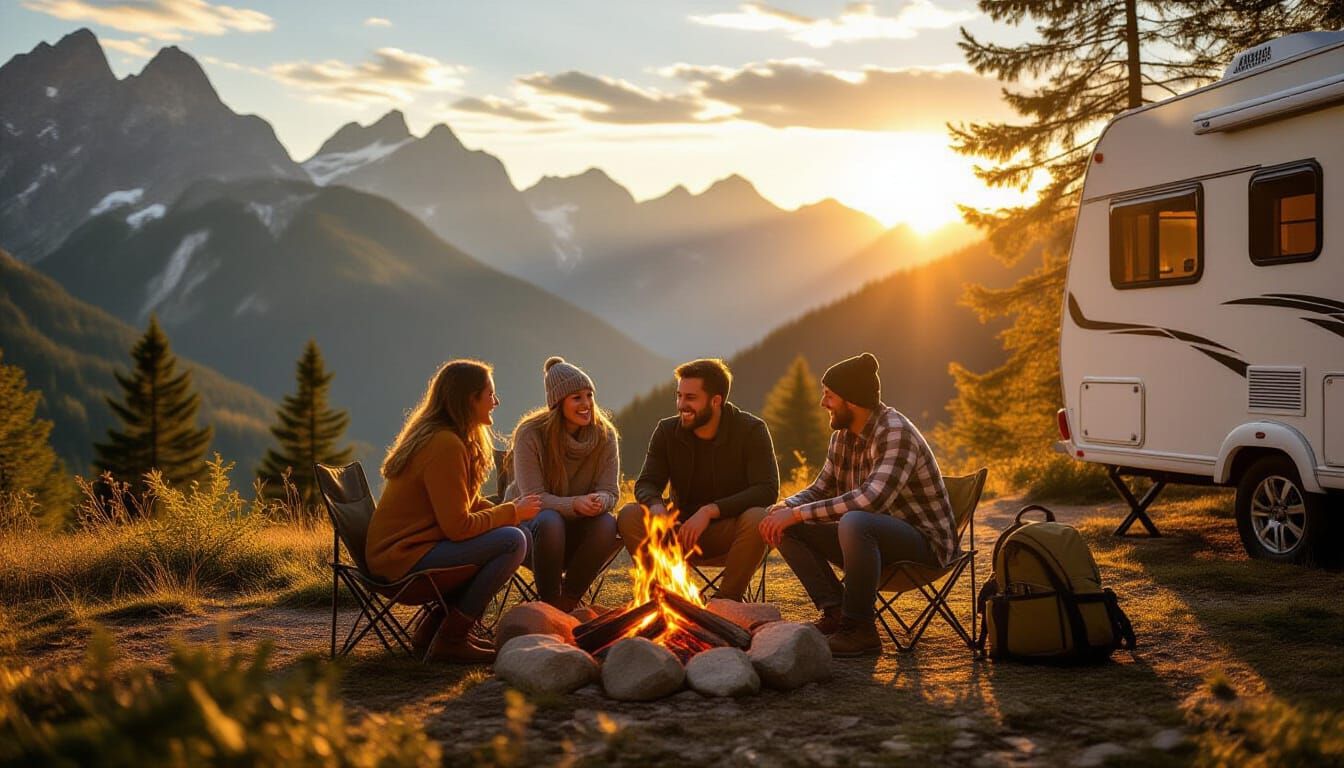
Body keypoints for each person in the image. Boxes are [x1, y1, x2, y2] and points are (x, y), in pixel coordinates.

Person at [759, 352, 956, 656]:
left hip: (924, 545)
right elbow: (820, 488)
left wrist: (795, 514)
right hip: (868, 542)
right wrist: (785, 507)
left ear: (851, 400)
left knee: (855, 519)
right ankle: (837, 614)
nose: (823, 403)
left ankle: (860, 629)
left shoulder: (895, 432)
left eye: (829, 396)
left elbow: (870, 499)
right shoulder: (843, 436)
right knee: (789, 526)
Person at [367, 359, 542, 663]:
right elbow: (458, 527)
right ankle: (452, 638)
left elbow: (466, 503)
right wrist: (511, 513)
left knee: (513, 533)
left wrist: (510, 512)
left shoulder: (444, 437)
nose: (496, 402)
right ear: (469, 399)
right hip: (403, 563)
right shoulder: (444, 445)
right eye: (490, 395)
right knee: (512, 541)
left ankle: (433, 627)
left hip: (405, 554)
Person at [617, 358, 778, 601]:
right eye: (679, 396)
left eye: (690, 398)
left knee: (759, 517)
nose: (681, 405)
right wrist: (657, 507)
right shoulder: (666, 431)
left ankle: (725, 603)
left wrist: (710, 511)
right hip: (677, 531)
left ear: (716, 401)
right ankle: (661, 598)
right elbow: (647, 483)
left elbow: (766, 490)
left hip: (729, 533)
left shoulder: (751, 430)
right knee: (630, 515)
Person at [505, 357, 622, 611]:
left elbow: (611, 491)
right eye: (576, 397)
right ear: (558, 403)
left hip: (578, 531)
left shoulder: (605, 435)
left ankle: (567, 602)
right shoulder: (531, 434)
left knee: (606, 523)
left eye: (589, 395)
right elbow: (533, 498)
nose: (586, 404)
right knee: (550, 520)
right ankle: (549, 603)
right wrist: (575, 504)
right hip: (529, 531)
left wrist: (600, 500)